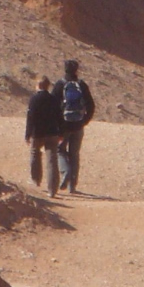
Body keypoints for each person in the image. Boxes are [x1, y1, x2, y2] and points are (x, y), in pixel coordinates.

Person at [54, 58, 94, 194]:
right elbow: (91, 105)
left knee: (59, 150)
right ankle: (73, 186)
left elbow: (52, 107)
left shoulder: (60, 85)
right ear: (77, 70)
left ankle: (65, 171)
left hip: (63, 126)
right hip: (78, 125)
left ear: (65, 69)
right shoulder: (82, 85)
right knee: (74, 155)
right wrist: (84, 121)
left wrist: (56, 124)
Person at [23, 76, 64, 195]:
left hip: (38, 133)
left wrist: (28, 134)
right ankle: (52, 189)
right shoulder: (54, 99)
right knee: (52, 160)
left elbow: (30, 118)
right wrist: (61, 132)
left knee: (35, 154)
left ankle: (36, 180)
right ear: (48, 86)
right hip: (52, 133)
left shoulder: (34, 99)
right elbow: (59, 117)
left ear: (37, 86)